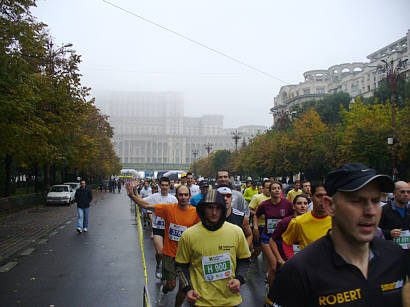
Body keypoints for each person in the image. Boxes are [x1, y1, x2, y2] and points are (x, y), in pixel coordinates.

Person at [269, 162, 407, 307]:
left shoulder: (395, 256)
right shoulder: (298, 271)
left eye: (375, 201)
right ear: (330, 205)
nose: (370, 211)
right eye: (356, 201)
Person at [127, 184, 200, 307]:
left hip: (187, 257)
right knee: (171, 285)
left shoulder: (196, 213)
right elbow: (146, 205)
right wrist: (132, 196)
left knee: (183, 288)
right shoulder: (168, 209)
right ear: (176, 196)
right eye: (180, 195)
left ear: (189, 196)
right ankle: (164, 289)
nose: (183, 197)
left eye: (186, 195)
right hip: (170, 254)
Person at [175, 190, 251, 307]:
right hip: (201, 301)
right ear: (202, 209)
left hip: (230, 300)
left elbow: (245, 260)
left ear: (223, 210)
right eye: (210, 208)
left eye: (218, 208)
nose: (214, 212)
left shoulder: (236, 232)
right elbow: (181, 266)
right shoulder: (189, 235)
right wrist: (188, 289)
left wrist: (239, 279)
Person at [255, 181, 294, 287]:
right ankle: (271, 294)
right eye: (274, 188)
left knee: (278, 266)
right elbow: (256, 215)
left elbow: (294, 218)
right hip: (267, 237)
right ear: (269, 191)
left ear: (281, 191)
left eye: (278, 188)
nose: (276, 190)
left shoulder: (288, 204)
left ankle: (271, 280)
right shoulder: (264, 204)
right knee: (274, 265)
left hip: (282, 238)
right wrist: (255, 227)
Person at [281, 184, 332, 259]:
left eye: (326, 196)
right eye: (319, 196)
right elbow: (286, 243)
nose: (323, 200)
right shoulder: (298, 222)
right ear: (311, 197)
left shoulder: (337, 221)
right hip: (309, 268)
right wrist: (294, 263)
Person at [143, 177, 178, 279]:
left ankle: (165, 269)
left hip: (169, 229)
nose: (164, 187)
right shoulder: (154, 197)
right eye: (162, 185)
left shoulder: (173, 199)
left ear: (169, 186)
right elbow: (142, 202)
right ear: (159, 185)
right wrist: (133, 193)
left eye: (166, 185)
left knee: (169, 254)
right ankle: (158, 265)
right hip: (157, 228)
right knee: (160, 252)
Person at [269, 194, 309, 267]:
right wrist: (280, 259)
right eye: (299, 203)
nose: (303, 206)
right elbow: (272, 240)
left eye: (305, 203)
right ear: (293, 206)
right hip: (287, 261)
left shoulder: (310, 222)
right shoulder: (285, 222)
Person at [249, 180, 272, 258]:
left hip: (272, 227)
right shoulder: (257, 197)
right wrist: (258, 214)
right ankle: (251, 261)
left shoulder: (275, 198)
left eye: (271, 188)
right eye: (267, 188)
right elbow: (250, 209)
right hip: (259, 226)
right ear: (263, 188)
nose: (269, 190)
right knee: (258, 249)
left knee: (270, 250)